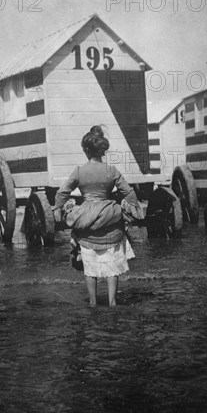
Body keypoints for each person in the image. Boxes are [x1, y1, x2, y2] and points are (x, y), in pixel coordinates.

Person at [54, 125, 142, 307]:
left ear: (86, 150)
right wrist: (133, 210)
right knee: (112, 266)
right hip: (110, 216)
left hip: (86, 218)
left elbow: (62, 193)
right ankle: (112, 301)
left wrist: (58, 209)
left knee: (90, 265)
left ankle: (93, 303)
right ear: (102, 150)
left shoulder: (79, 170)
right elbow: (129, 192)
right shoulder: (111, 170)